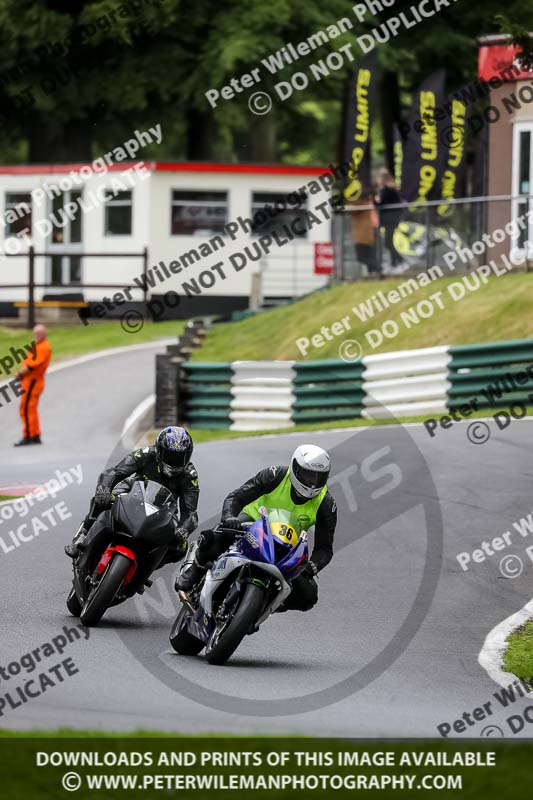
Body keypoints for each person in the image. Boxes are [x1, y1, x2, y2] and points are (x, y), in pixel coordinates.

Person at [176, 444, 337, 613]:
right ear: (295, 469)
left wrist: (313, 566)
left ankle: (263, 604)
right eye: (308, 475)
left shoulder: (326, 503)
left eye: (319, 478)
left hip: (284, 544)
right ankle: (194, 570)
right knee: (217, 536)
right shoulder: (276, 475)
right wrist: (229, 517)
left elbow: (325, 549)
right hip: (252, 522)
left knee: (308, 596)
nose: (312, 483)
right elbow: (236, 496)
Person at [65, 427, 199, 563]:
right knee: (102, 500)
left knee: (180, 548)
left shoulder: (190, 475)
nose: (174, 462)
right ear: (159, 450)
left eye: (180, 457)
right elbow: (114, 472)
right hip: (132, 492)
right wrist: (104, 488)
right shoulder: (146, 454)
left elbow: (191, 513)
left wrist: (183, 530)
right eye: (170, 456)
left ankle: (145, 568)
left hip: (164, 508)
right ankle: (83, 535)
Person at [14, 323, 52, 447]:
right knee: (30, 409)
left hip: (32, 382)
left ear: (42, 334)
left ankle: (29, 435)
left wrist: (20, 373)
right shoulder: (39, 345)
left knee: (26, 408)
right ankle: (34, 434)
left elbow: (31, 366)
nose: (35, 336)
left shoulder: (43, 347)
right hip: (31, 381)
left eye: (37, 334)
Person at [374, 168, 403, 271]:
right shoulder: (392, 189)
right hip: (392, 219)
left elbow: (380, 204)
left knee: (388, 242)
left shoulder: (386, 190)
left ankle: (398, 260)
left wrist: (374, 199)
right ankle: (395, 261)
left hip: (389, 219)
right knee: (388, 242)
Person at [350, 188, 379, 275]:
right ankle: (373, 273)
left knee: (362, 256)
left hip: (365, 234)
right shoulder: (368, 201)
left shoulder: (363, 202)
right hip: (367, 233)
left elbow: (353, 210)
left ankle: (378, 269)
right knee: (369, 255)